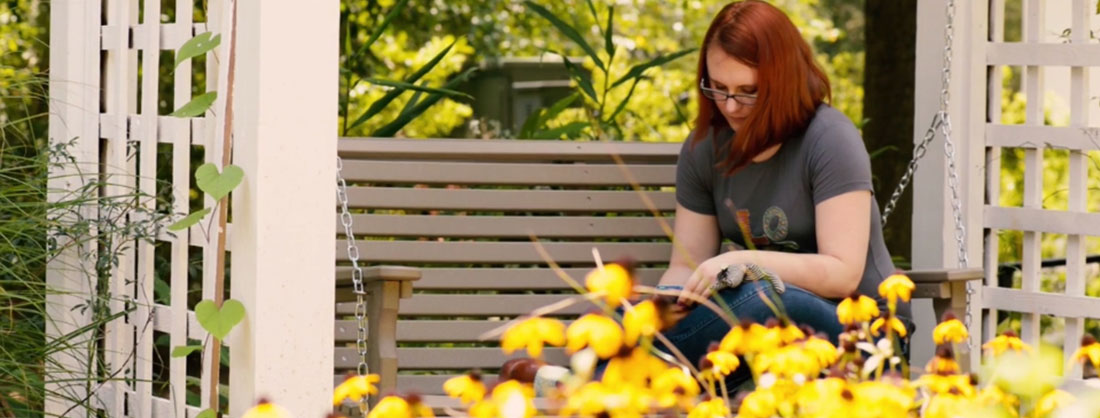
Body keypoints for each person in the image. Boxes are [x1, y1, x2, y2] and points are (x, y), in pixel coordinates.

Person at [654, 0, 912, 386]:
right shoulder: (704, 148)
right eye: (718, 88)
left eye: (748, 91)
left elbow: (843, 273)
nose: (729, 106)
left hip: (861, 333)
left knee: (764, 293)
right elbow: (686, 266)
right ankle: (610, 381)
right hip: (762, 334)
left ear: (783, 80)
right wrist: (667, 304)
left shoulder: (829, 139)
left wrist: (743, 261)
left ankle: (592, 385)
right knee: (637, 316)